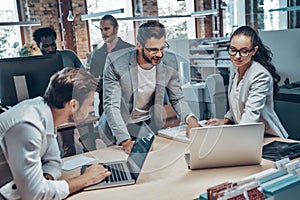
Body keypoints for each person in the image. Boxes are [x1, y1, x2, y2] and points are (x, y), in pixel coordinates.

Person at [0, 68, 111, 200]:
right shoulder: (27, 126)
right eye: (90, 104)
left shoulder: (46, 114)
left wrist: (46, 180)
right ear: (73, 105)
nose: (92, 109)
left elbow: (53, 162)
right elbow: (35, 195)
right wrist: (86, 179)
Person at [99, 20, 200, 153]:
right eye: (153, 50)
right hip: (117, 128)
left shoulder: (169, 61)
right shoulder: (116, 62)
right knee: (119, 169)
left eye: (162, 48)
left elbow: (177, 97)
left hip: (145, 125)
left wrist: (190, 118)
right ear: (139, 46)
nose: (159, 54)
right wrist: (125, 140)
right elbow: (112, 106)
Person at [205, 26, 288, 138]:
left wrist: (236, 137)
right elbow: (236, 101)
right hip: (248, 134)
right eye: (233, 50)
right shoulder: (235, 68)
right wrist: (225, 120)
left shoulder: (260, 75)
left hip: (267, 137)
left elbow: (250, 113)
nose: (237, 56)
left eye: (244, 51)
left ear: (254, 51)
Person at [33, 27, 84, 157]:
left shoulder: (69, 55)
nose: (50, 49)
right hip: (59, 106)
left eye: (52, 44)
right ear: (39, 46)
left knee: (88, 141)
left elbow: (84, 74)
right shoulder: (36, 63)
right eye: (46, 46)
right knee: (68, 146)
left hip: (78, 102)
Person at [89, 15, 135, 116]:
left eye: (106, 29)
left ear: (116, 29)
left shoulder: (130, 50)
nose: (103, 33)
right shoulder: (97, 54)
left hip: (129, 107)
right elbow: (93, 79)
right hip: (106, 107)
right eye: (101, 30)